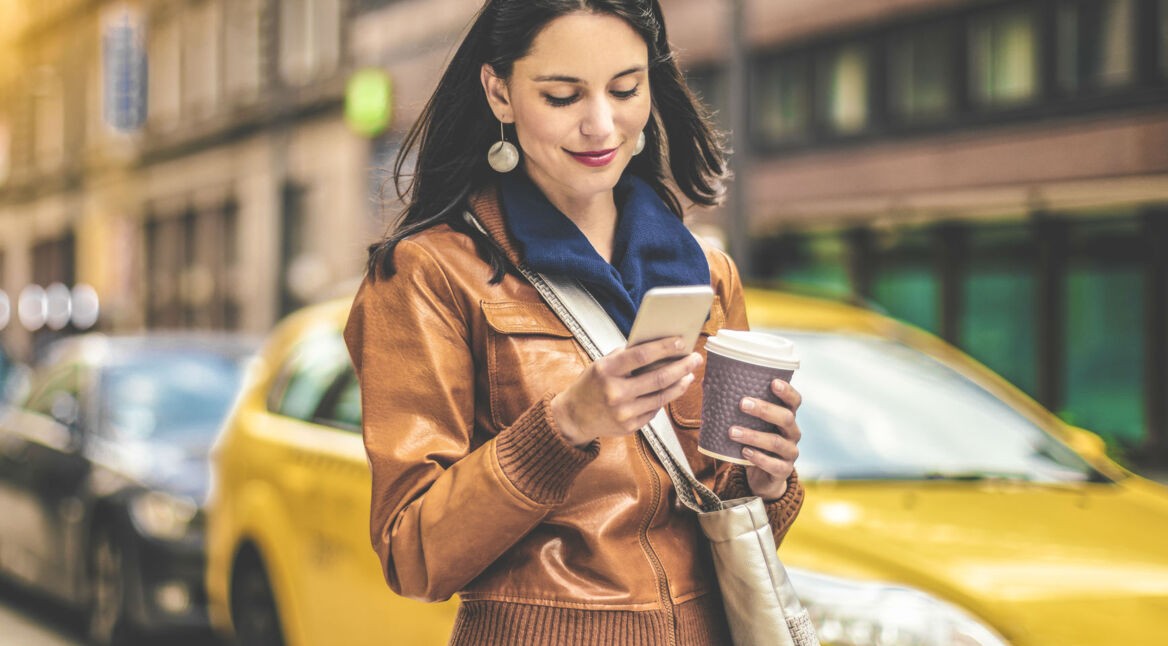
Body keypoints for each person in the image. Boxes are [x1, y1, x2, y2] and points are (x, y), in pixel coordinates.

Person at [344, 1, 805, 643]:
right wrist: (564, 426)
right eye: (563, 96)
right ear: (498, 92)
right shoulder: (427, 273)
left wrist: (767, 479)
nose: (601, 124)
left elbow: (722, 522)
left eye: (625, 89)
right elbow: (412, 553)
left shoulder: (705, 272)